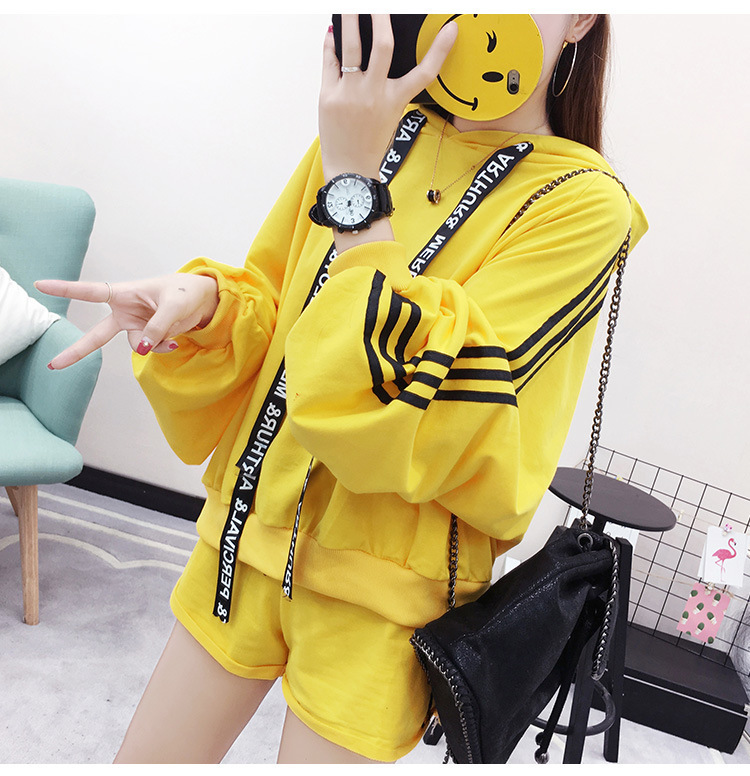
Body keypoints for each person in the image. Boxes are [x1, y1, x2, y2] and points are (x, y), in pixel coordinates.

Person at [37, 14, 648, 764]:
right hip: (245, 539)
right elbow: (285, 309)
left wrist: (357, 186)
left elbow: (442, 396)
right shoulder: (369, 129)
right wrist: (209, 303)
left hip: (382, 599)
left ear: (583, 16)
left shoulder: (583, 204)